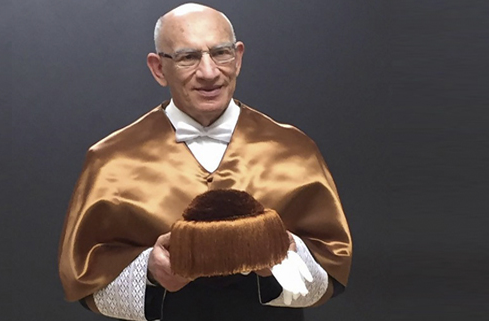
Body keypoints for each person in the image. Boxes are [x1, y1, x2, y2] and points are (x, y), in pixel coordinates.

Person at [58, 3, 352, 321]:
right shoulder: (111, 160)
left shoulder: (293, 149)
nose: (209, 72)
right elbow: (86, 277)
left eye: (221, 53)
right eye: (188, 57)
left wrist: (283, 256)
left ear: (238, 58)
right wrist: (151, 272)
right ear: (158, 68)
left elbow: (331, 263)